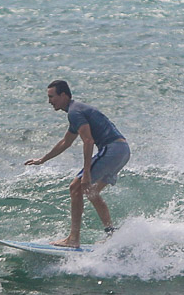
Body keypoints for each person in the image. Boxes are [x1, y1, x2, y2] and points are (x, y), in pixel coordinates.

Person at [25, 80, 130, 248]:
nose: (49, 101)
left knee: (75, 187)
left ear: (63, 95)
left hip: (112, 149)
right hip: (122, 151)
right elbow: (66, 142)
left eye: (52, 97)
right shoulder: (77, 111)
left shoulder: (74, 112)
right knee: (91, 192)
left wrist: (86, 173)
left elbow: (88, 140)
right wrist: (43, 160)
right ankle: (112, 234)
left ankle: (73, 238)